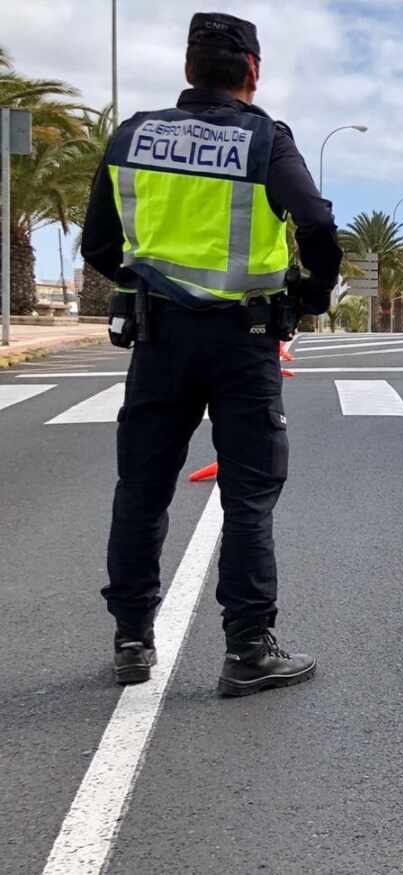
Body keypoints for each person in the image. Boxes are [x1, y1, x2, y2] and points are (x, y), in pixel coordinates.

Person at [81, 12, 342, 695]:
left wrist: (147, 279)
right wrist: (309, 295)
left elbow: (98, 246)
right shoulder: (266, 140)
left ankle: (132, 639)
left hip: (159, 336)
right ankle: (248, 650)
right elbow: (315, 222)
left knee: (141, 489)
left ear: (188, 70)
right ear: (252, 72)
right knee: (248, 495)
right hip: (244, 339)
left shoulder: (133, 136)